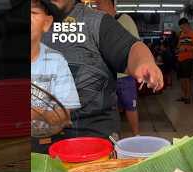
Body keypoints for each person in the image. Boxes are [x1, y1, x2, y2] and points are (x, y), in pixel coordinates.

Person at [44, 0, 163, 141]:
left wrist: (144, 62)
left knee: (130, 106)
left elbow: (131, 47)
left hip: (94, 136)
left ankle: (136, 134)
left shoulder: (96, 21)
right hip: (41, 138)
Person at [30, 0, 80, 153]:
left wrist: (34, 112)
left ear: (47, 22)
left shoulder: (56, 60)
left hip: (46, 143)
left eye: (32, 13)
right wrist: (45, 113)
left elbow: (64, 116)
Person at [97, 0, 140, 136]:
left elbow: (136, 45)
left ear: (110, 4)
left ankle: (136, 136)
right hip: (107, 76)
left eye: (99, 3)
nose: (97, 6)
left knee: (130, 106)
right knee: (111, 108)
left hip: (125, 75)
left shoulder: (124, 19)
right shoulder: (98, 23)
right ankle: (115, 138)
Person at [176, 18, 193, 104]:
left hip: (188, 59)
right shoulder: (181, 34)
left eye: (183, 27)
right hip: (180, 59)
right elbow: (179, 46)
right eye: (181, 28)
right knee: (181, 79)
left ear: (187, 25)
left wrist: (185, 49)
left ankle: (188, 97)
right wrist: (178, 49)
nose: (182, 29)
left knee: (187, 79)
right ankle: (184, 96)